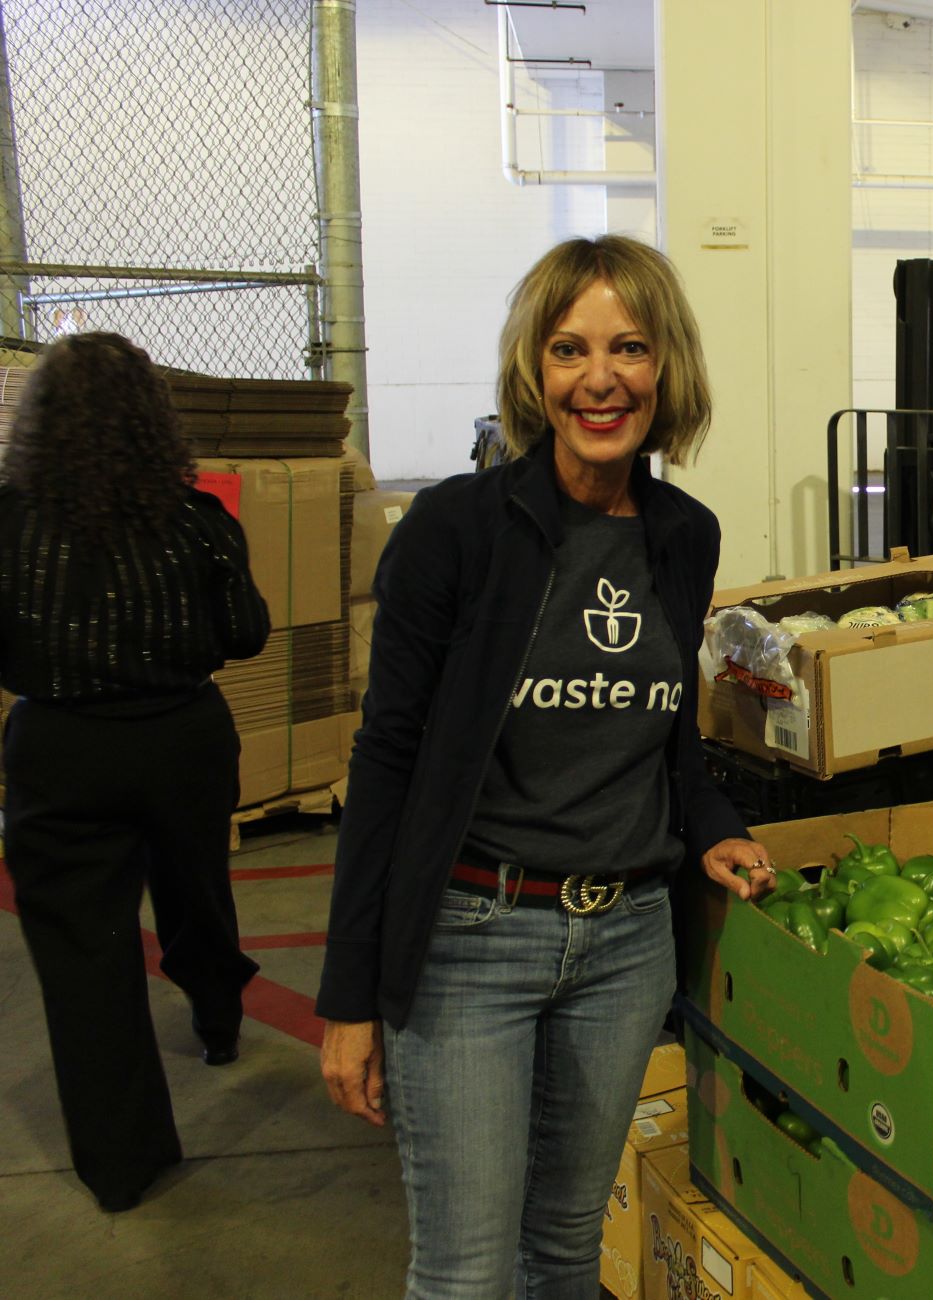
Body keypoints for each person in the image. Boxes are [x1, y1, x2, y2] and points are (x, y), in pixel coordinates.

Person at [317, 234, 775, 1298]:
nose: (600, 378)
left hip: (627, 945)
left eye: (629, 347)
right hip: (472, 941)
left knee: (567, 1250)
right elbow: (386, 763)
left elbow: (666, 730)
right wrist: (348, 997)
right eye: (570, 349)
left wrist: (715, 825)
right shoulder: (457, 530)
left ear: (666, 368)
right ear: (534, 371)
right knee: (467, 1272)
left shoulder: (685, 535)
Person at [0, 332, 270, 1212]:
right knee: (197, 890)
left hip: (60, 747)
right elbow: (247, 634)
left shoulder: (8, 523)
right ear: (155, 423)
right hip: (182, 738)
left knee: (83, 957)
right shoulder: (197, 520)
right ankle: (219, 1019)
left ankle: (122, 1166)